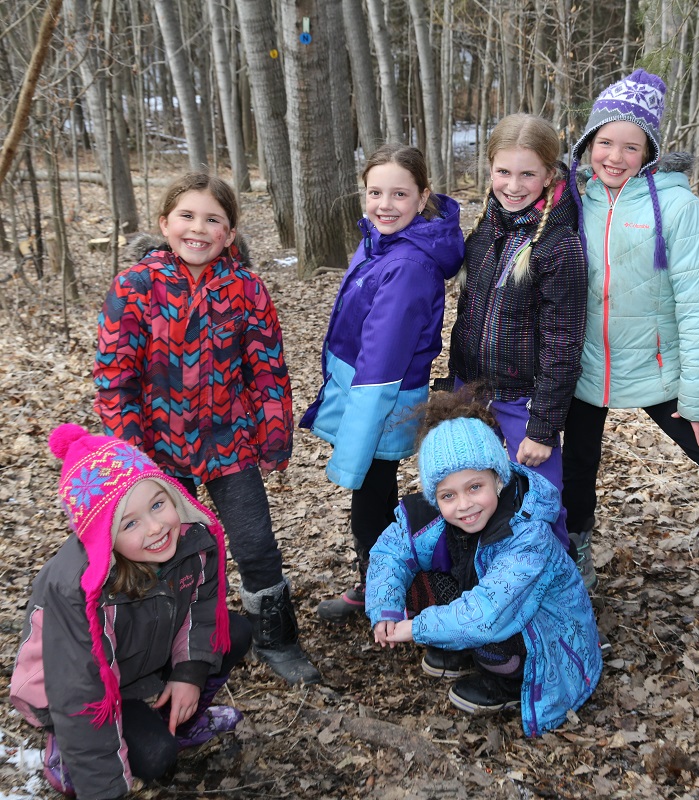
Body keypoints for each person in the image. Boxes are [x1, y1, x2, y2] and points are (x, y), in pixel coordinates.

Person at [564, 69, 699, 625]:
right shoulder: (568, 202)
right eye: (605, 142)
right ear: (588, 144)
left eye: (630, 145)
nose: (615, 156)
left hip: (660, 366)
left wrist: (698, 393)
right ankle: (576, 550)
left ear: (649, 151)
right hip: (585, 366)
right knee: (576, 468)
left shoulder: (679, 209)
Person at [93, 172, 320, 684]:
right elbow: (114, 375)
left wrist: (274, 433)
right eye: (187, 217)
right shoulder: (135, 287)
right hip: (158, 448)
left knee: (255, 541)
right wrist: (131, 454)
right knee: (158, 546)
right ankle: (151, 646)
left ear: (230, 232)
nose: (198, 229)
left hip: (229, 443)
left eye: (213, 219)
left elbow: (266, 367)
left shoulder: (246, 288)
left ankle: (275, 636)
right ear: (164, 223)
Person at [10, 424, 252, 799]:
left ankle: (181, 721)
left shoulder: (192, 540)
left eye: (158, 504)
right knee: (156, 759)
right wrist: (104, 789)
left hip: (139, 663)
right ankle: (66, 751)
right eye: (130, 523)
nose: (156, 528)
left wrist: (188, 674)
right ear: (103, 534)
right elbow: (79, 692)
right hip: (80, 691)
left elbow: (203, 611)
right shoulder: (77, 590)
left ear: (172, 494)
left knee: (233, 631)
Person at [365, 391, 602, 738]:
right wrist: (384, 610)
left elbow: (489, 614)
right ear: (435, 496)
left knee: (494, 636)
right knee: (414, 576)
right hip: (483, 601)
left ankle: (507, 683)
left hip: (547, 641)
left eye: (475, 487)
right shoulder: (434, 515)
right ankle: (460, 650)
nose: (463, 505)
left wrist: (414, 628)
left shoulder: (526, 535)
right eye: (448, 495)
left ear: (499, 477)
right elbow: (390, 552)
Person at [300, 144, 465, 624]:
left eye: (399, 193)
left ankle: (384, 588)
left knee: (371, 493)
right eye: (375, 192)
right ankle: (379, 580)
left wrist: (353, 441)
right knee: (372, 491)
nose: (384, 204)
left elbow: (383, 358)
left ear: (422, 197)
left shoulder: (409, 264)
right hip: (364, 391)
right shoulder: (380, 239)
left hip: (381, 399)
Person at [446, 114, 587, 553]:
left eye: (528, 173)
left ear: (549, 175)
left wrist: (542, 428)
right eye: (503, 172)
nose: (513, 185)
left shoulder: (558, 247)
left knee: (537, 510)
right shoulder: (485, 229)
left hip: (522, 405)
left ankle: (555, 598)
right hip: (470, 394)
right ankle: (482, 593)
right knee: (474, 506)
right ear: (489, 169)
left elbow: (563, 345)